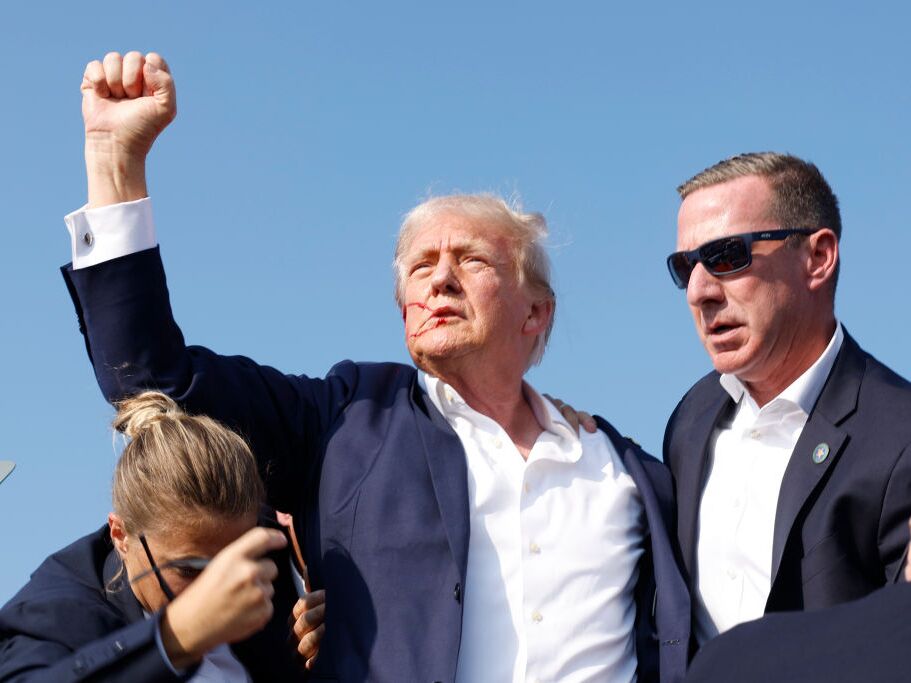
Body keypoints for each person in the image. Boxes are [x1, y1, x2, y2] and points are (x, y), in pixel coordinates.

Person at [61, 51, 690, 682]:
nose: (440, 277)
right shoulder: (344, 420)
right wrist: (116, 163)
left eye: (471, 260)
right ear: (403, 310)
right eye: (420, 266)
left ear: (535, 314)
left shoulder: (630, 470)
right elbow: (153, 382)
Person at [663, 152, 911, 646]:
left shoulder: (899, 435)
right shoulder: (690, 421)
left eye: (726, 255)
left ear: (817, 258)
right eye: (685, 266)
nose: (698, 291)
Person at [0, 391, 313, 681]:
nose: (222, 586)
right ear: (121, 535)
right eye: (189, 569)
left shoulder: (272, 554)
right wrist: (176, 638)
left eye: (237, 559)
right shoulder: (55, 617)